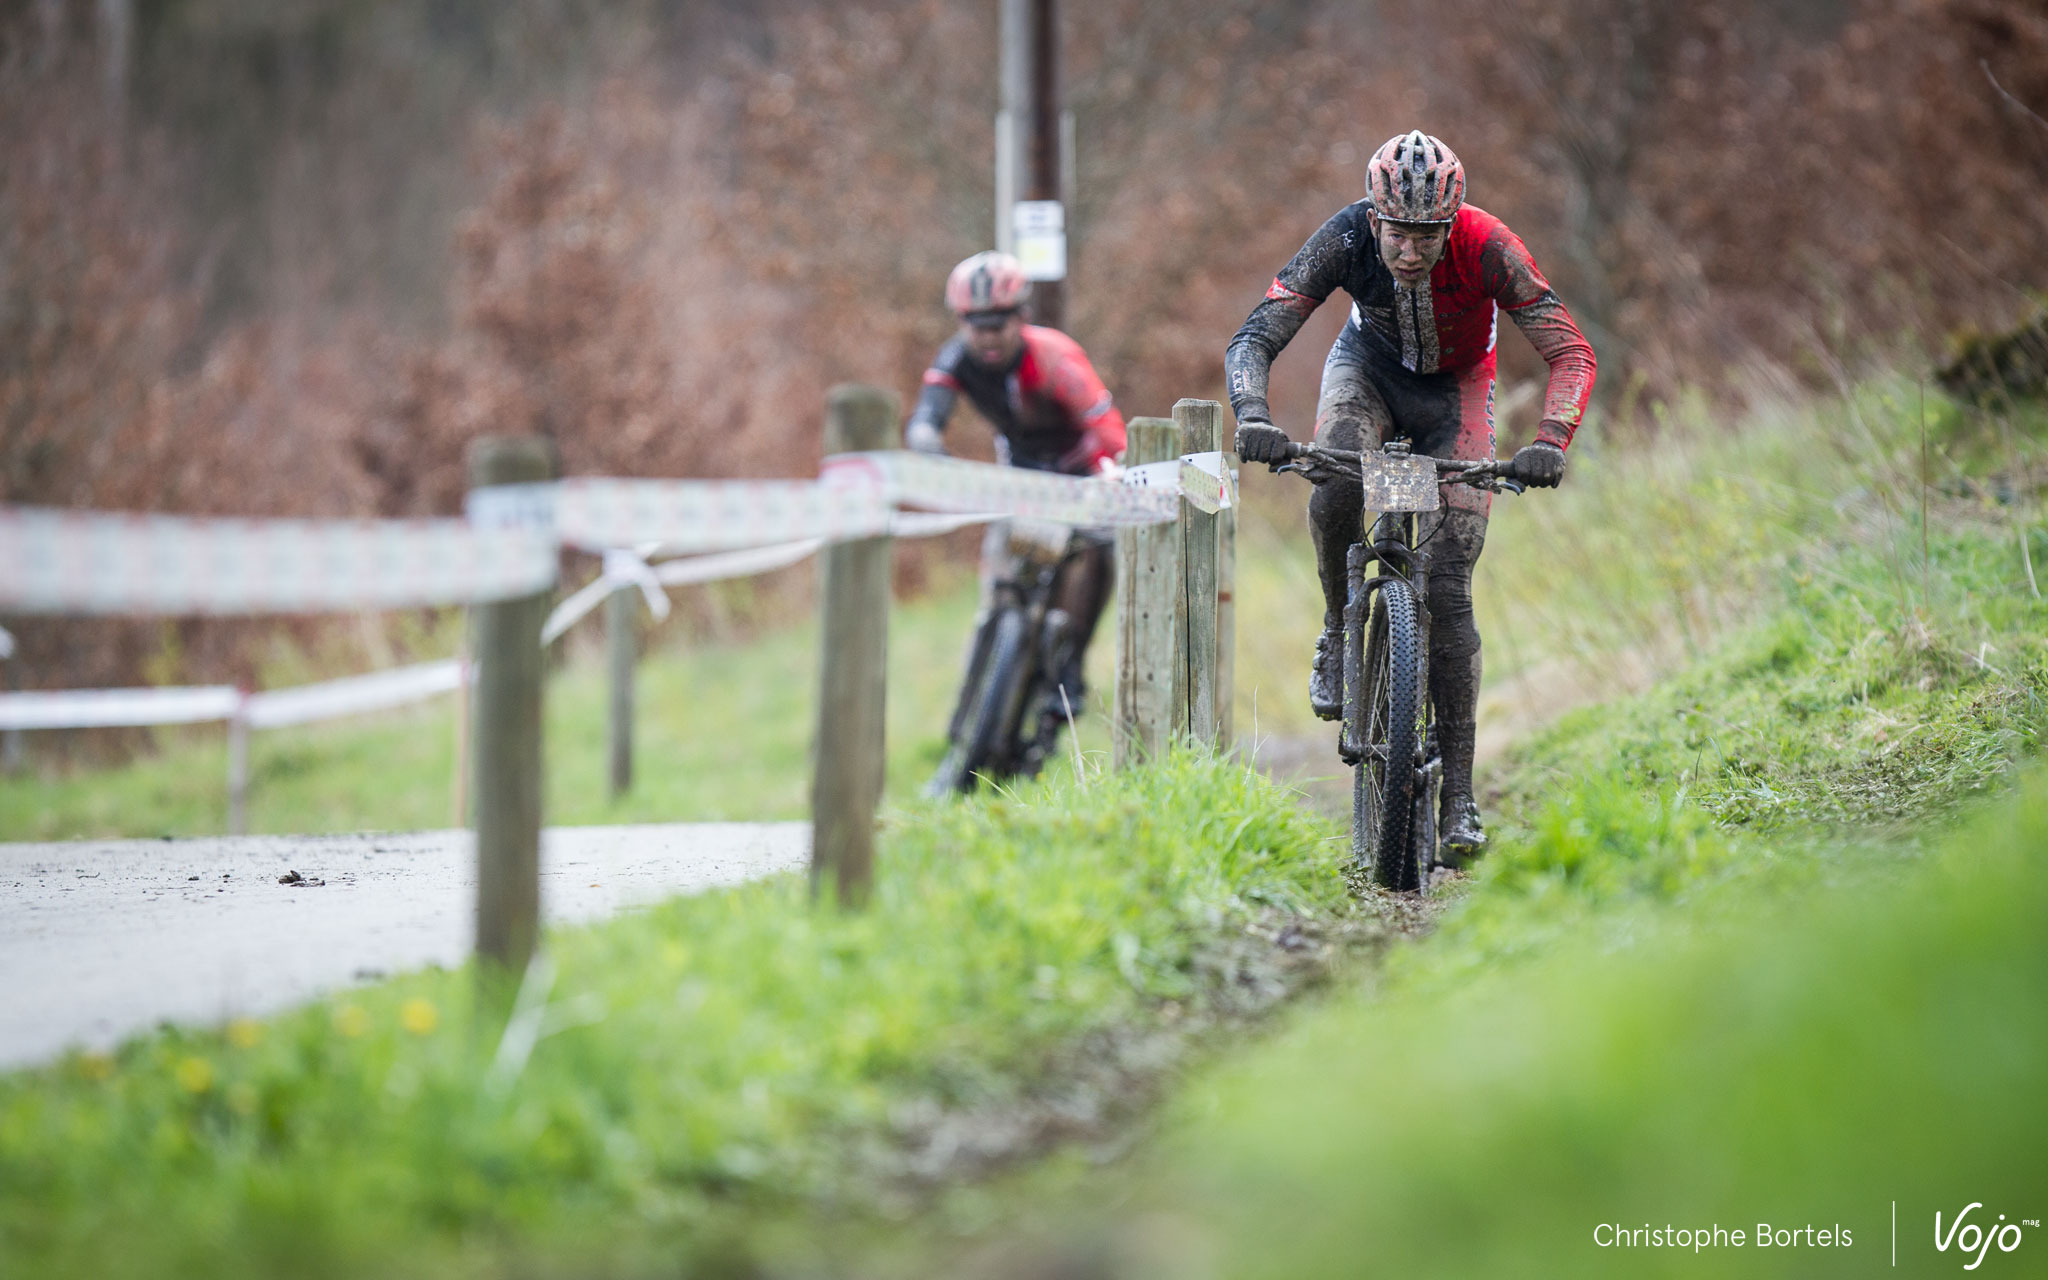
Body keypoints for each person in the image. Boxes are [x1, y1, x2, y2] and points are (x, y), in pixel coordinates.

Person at [1224, 130, 1597, 858]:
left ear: (1451, 222)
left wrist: (1551, 439)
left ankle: (1458, 799)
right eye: (1398, 231)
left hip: (1456, 394)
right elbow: (1254, 337)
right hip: (1367, 373)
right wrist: (1256, 418)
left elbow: (1570, 351)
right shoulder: (1344, 236)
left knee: (1451, 587)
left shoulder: (1490, 245)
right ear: (1374, 217)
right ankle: (1337, 628)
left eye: (1428, 235)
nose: (1410, 251)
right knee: (1333, 469)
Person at [906, 250, 1127, 720]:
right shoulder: (957, 358)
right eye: (975, 323)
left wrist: (1109, 470)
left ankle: (1071, 663)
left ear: (1021, 316)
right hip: (1022, 470)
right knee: (1001, 576)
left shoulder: (1054, 357)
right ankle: (985, 675)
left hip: (1079, 468)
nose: (986, 336)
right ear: (961, 321)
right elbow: (927, 419)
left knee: (1097, 552)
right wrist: (930, 451)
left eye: (998, 323)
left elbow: (1105, 425)